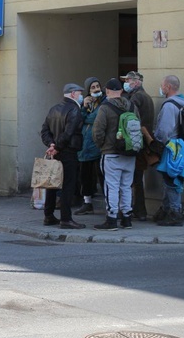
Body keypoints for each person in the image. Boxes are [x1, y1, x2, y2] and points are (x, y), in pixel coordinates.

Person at [92, 78, 140, 230]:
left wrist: (102, 146)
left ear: (107, 91)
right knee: (126, 186)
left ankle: (111, 218)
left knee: (111, 186)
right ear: (121, 91)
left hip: (111, 154)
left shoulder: (105, 108)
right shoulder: (132, 106)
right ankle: (127, 218)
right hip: (130, 153)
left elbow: (97, 131)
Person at [40, 83, 86, 229]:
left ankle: (48, 215)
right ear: (73, 94)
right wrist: (57, 147)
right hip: (68, 152)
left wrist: (51, 145)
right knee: (68, 186)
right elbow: (69, 132)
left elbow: (44, 131)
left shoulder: (54, 109)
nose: (81, 96)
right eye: (79, 93)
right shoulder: (74, 110)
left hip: (56, 152)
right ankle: (66, 219)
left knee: (52, 184)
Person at [153, 75, 184, 226]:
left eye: (162, 85)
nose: (161, 88)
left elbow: (164, 131)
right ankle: (166, 210)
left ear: (168, 87)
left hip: (171, 147)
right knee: (171, 179)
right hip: (181, 146)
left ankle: (175, 213)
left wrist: (156, 142)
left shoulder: (170, 105)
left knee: (171, 180)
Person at [122, 71, 155, 221]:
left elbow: (130, 119)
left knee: (132, 178)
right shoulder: (147, 97)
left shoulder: (136, 97)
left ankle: (135, 210)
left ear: (136, 82)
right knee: (138, 177)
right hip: (144, 142)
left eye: (128, 80)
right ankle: (140, 210)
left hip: (136, 142)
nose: (126, 83)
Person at [75, 77, 105, 215]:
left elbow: (95, 118)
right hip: (85, 147)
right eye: (92, 87)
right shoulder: (86, 104)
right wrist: (83, 107)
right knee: (85, 176)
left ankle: (109, 204)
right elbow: (78, 120)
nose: (96, 89)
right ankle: (87, 203)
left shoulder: (104, 102)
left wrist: (86, 116)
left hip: (97, 146)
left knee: (103, 175)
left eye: (97, 86)